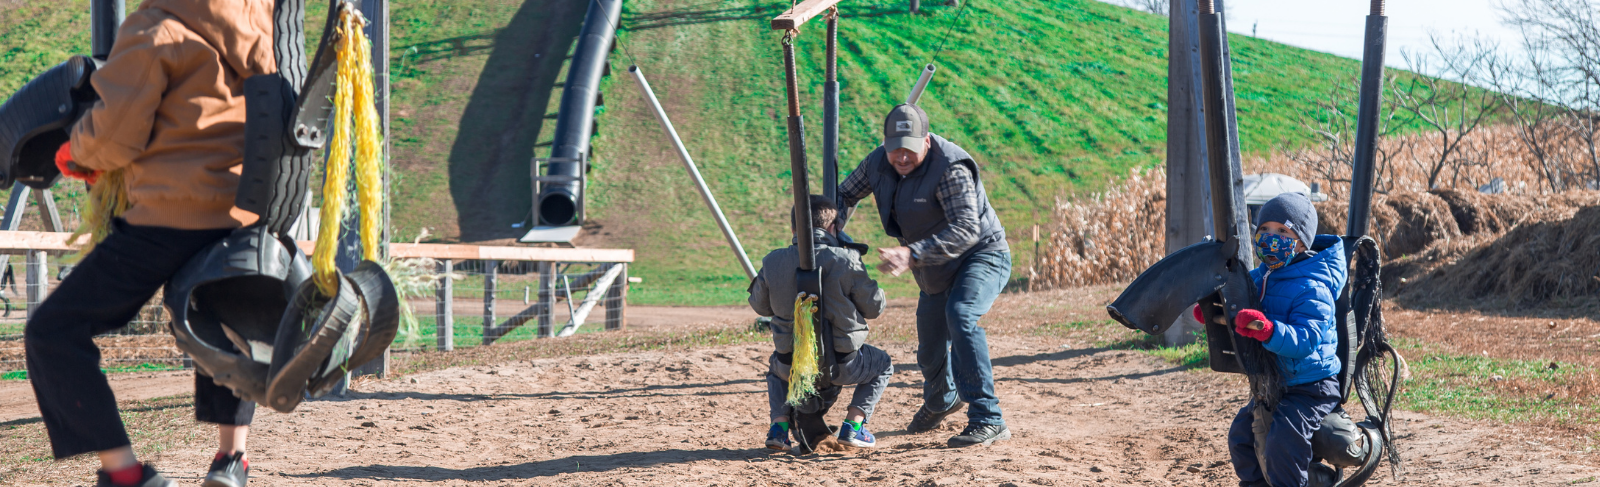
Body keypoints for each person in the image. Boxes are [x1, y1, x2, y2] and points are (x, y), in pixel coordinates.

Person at [24, 0, 277, 485]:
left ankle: (123, 472)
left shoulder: (156, 27)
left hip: (169, 213)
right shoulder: (260, 27)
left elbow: (117, 133)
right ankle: (231, 460)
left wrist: (75, 150)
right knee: (221, 318)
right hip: (240, 214)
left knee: (54, 331)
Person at [836, 104, 1012, 447]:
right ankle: (941, 401)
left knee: (961, 316)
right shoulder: (877, 162)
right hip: (934, 267)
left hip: (981, 256)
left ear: (926, 142)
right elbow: (843, 194)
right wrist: (830, 228)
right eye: (895, 149)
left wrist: (912, 253)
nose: (901, 157)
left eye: (910, 149)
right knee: (930, 352)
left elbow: (966, 230)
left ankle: (988, 418)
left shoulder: (950, 168)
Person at [1205, 192, 1346, 487]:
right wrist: (1212, 312)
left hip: (1311, 385)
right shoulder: (1257, 278)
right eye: (1264, 230)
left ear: (1302, 242)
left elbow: (1306, 340)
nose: (1272, 238)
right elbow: (1236, 312)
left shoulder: (1313, 287)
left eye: (1282, 231)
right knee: (1241, 437)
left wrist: (1269, 331)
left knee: (1284, 441)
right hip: (1275, 383)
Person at [749, 195, 892, 450]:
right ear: (832, 227)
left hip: (790, 363)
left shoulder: (773, 261)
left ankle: (779, 428)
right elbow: (874, 308)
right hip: (842, 364)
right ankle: (854, 426)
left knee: (775, 369)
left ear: (794, 228)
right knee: (882, 365)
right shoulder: (846, 259)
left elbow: (760, 305)